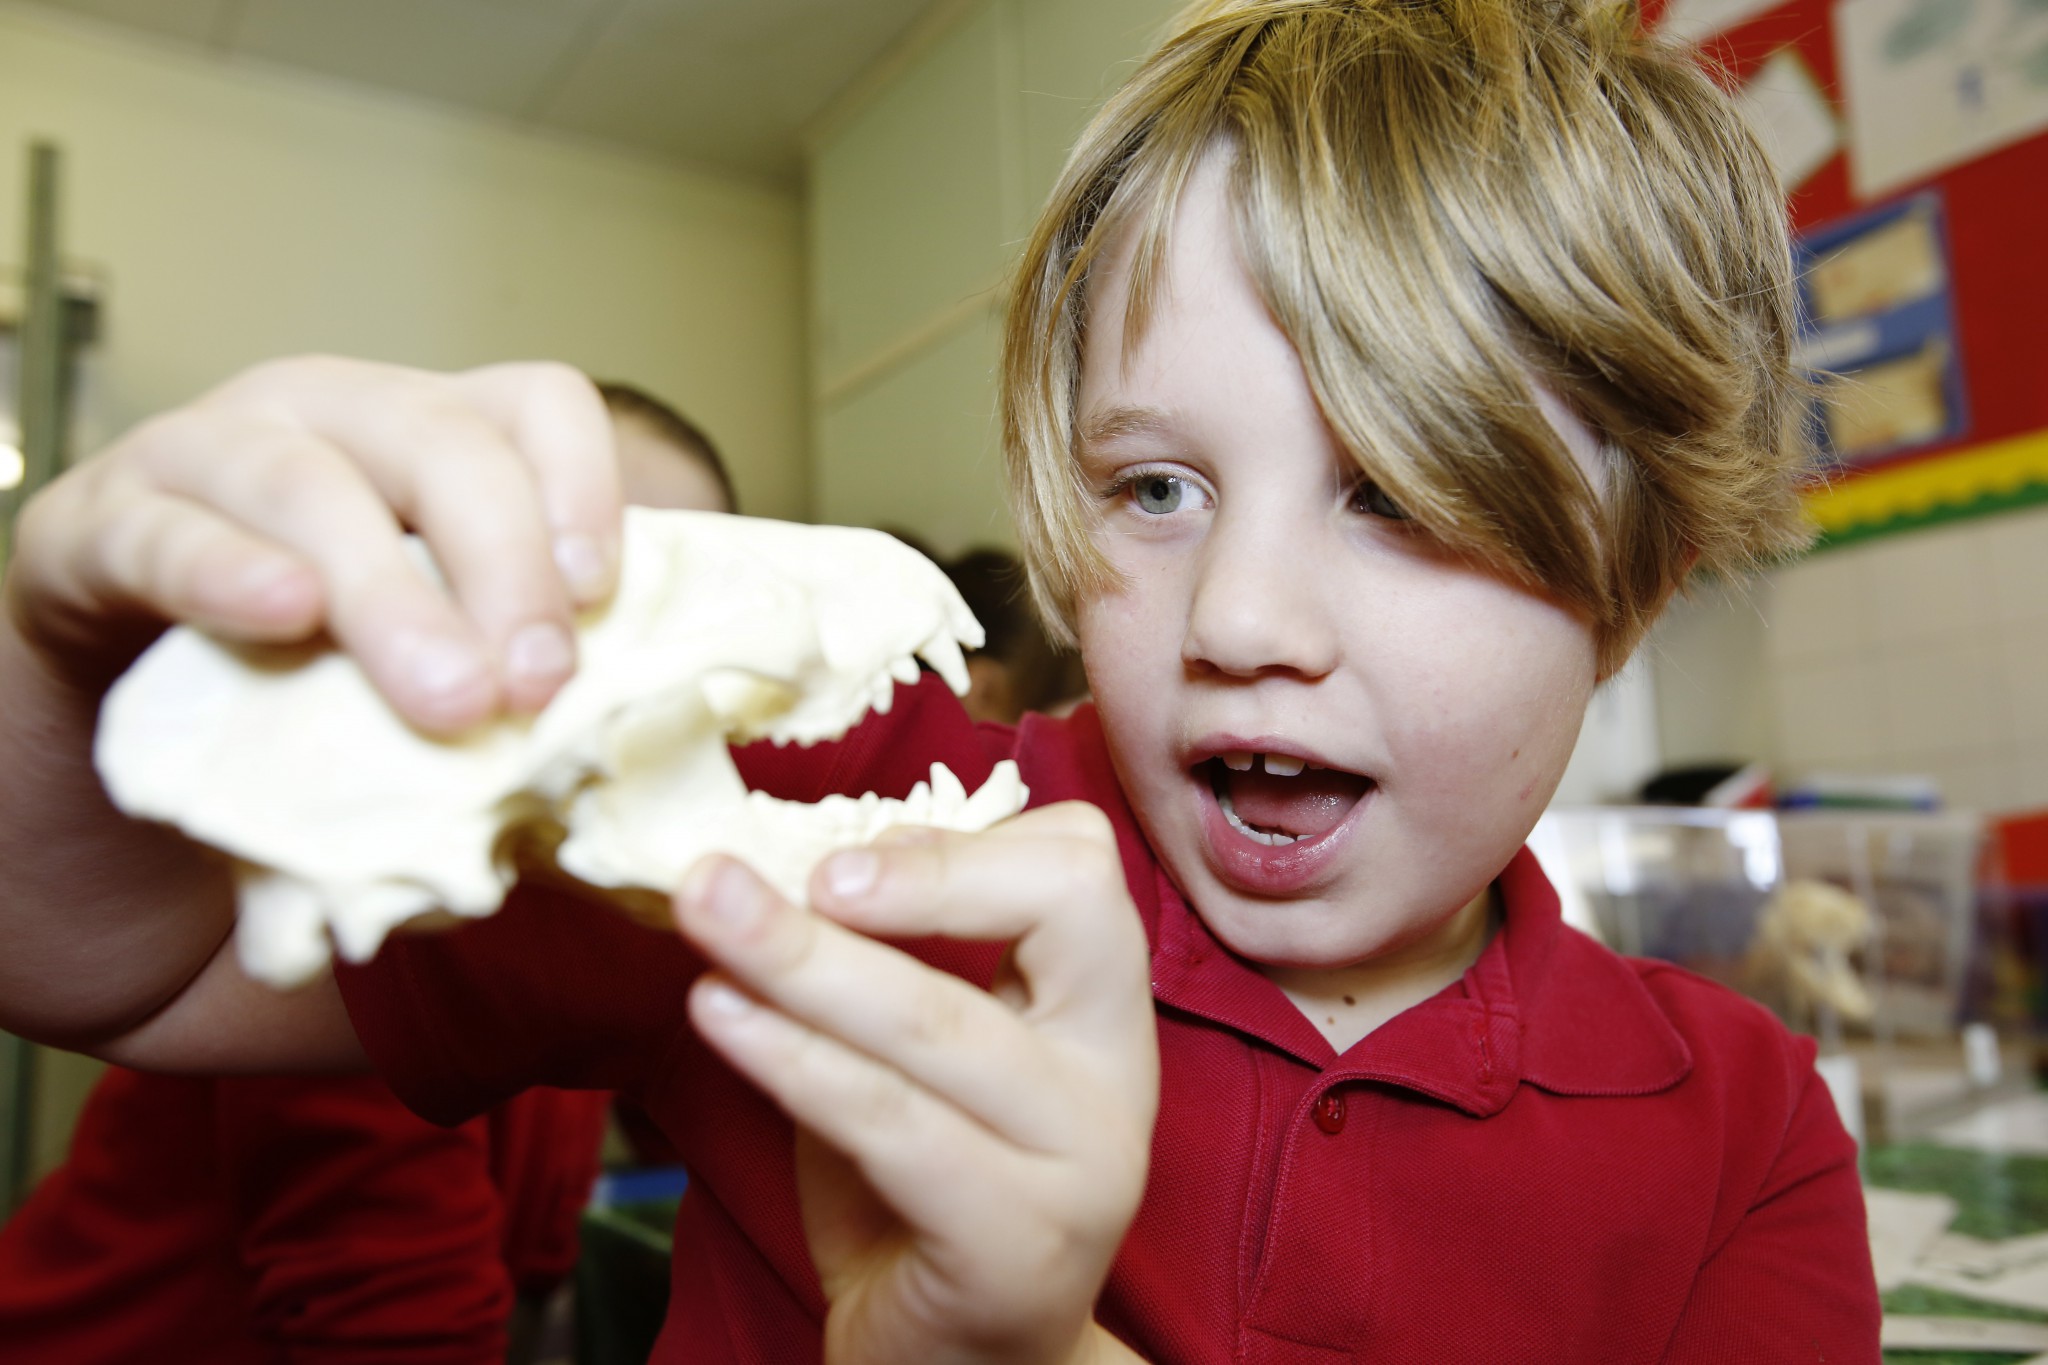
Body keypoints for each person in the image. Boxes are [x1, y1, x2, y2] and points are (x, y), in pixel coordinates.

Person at [0, 2, 1881, 1362]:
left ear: (1628, 590)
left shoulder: (1742, 1136)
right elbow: (109, 957)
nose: (1235, 610)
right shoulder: (828, 812)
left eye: (1395, 494)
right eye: (1153, 486)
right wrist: (53, 649)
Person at [0, 385, 735, 1363]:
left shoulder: (606, 873)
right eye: (546, 582)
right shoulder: (363, 883)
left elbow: (655, 1081)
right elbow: (380, 1304)